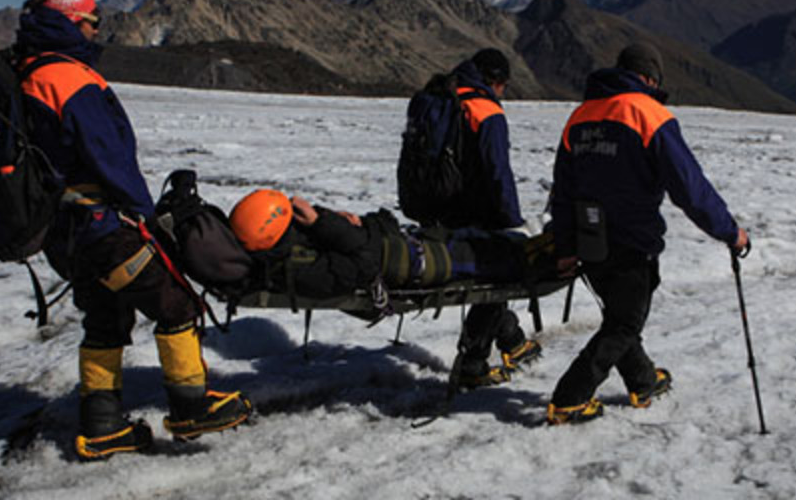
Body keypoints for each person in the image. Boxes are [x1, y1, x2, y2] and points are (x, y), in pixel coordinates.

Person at [15, 0, 251, 459]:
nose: (96, 32)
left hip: (65, 232)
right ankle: (190, 408)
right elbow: (109, 157)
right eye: (89, 22)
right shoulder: (68, 77)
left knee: (106, 317)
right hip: (104, 226)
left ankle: (102, 426)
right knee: (176, 303)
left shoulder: (25, 71)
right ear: (69, 21)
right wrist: (146, 219)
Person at [545, 44, 750, 425]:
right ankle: (569, 398)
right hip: (631, 238)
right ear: (650, 78)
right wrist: (729, 232)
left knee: (620, 314)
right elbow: (689, 186)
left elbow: (563, 190)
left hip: (590, 238)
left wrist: (566, 245)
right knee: (624, 323)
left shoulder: (581, 115)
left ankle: (642, 381)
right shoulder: (648, 114)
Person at [226, 190, 552, 300]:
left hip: (398, 245)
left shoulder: (289, 246)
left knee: (474, 238)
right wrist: (327, 224)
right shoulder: (302, 268)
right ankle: (544, 256)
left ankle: (529, 240)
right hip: (408, 263)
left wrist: (327, 221)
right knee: (486, 258)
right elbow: (362, 266)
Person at [437, 49, 541, 389]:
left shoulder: (445, 99)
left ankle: (511, 339)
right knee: (496, 278)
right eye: (504, 85)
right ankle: (473, 362)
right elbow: (499, 173)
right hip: (475, 214)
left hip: (440, 210)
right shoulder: (485, 112)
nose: (503, 93)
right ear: (495, 81)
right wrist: (513, 222)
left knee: (490, 282)